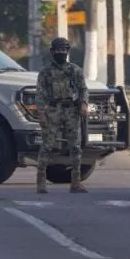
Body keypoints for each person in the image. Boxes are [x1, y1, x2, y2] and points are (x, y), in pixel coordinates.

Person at [35, 37, 89, 194]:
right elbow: (40, 93)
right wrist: (41, 112)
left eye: (63, 50)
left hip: (71, 110)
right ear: (52, 52)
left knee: (75, 147)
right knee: (47, 146)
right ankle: (40, 182)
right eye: (58, 50)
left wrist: (84, 103)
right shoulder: (45, 72)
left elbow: (83, 89)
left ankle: (76, 183)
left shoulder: (75, 70)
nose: (61, 52)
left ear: (68, 51)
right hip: (53, 110)